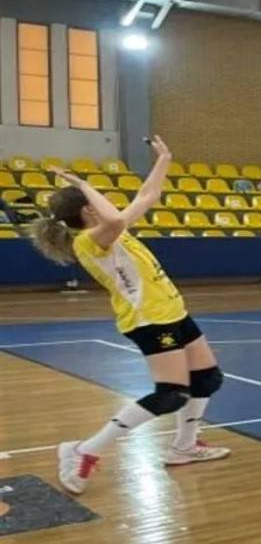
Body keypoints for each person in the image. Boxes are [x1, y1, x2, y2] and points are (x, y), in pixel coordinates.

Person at [27, 136, 230, 495]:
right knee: (170, 395)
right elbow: (116, 217)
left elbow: (147, 197)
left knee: (207, 378)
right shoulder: (90, 240)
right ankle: (83, 450)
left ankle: (185, 447)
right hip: (149, 320)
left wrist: (164, 159)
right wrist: (83, 184)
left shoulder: (110, 233)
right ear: (88, 210)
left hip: (173, 312)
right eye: (96, 200)